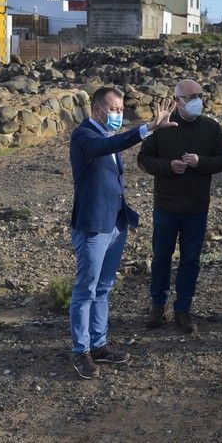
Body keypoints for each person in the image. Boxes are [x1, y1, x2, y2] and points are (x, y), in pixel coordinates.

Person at [69, 87, 177, 379]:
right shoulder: (84, 137)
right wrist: (146, 128)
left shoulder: (107, 138)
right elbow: (104, 148)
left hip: (116, 224)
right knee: (86, 289)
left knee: (104, 287)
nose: (118, 114)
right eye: (113, 109)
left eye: (120, 109)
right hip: (93, 226)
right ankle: (82, 351)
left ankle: (99, 345)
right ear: (96, 110)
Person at [137, 79, 222, 334]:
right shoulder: (163, 127)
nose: (198, 100)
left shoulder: (210, 127)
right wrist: (168, 167)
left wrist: (200, 161)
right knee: (161, 258)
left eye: (200, 94)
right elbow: (143, 159)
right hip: (166, 206)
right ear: (178, 100)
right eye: (192, 96)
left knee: (191, 260)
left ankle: (183, 309)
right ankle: (158, 306)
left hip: (197, 208)